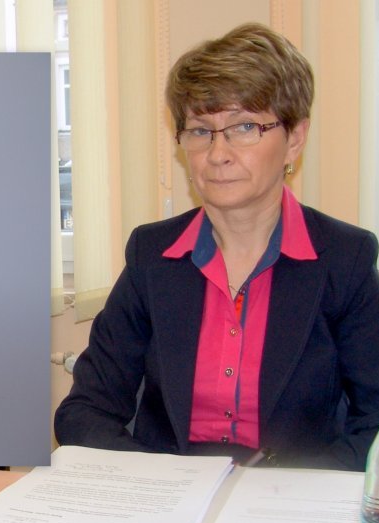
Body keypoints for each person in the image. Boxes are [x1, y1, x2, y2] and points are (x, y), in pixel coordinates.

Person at [54, 23, 379, 471]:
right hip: (167, 490)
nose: (217, 153)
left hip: (293, 495)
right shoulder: (153, 255)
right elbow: (84, 412)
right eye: (200, 131)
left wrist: (291, 493)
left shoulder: (345, 259)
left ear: (295, 139)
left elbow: (374, 420)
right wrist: (163, 482)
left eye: (244, 127)